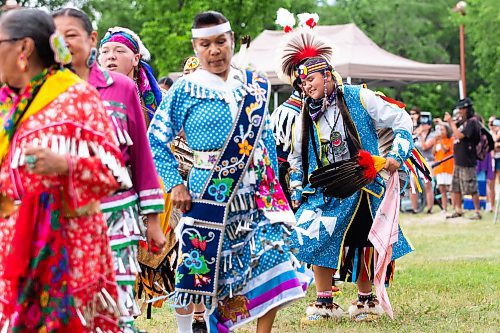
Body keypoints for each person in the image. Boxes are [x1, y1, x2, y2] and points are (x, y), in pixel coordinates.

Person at [148, 11, 306, 333]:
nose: (214, 50)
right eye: (205, 44)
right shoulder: (185, 90)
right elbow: (155, 140)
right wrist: (175, 184)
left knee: (274, 259)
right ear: (195, 48)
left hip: (258, 194)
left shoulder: (255, 86)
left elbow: (265, 141)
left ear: (232, 41)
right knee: (203, 276)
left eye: (221, 42)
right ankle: (203, 327)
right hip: (208, 193)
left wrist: (277, 188)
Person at [0, 8, 126, 331]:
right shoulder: (5, 103)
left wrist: (66, 164)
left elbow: (115, 173)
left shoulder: (77, 97)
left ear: (23, 48)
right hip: (10, 247)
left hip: (67, 245)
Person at [279, 26, 414, 322]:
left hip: (365, 185)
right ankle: (324, 302)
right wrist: (298, 191)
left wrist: (395, 156)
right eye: (301, 84)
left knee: (363, 240)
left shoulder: (359, 97)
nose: (306, 87)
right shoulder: (304, 113)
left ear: (327, 75)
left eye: (310, 79)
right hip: (325, 189)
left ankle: (366, 301)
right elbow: (296, 157)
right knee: (314, 237)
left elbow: (402, 119)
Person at [53, 9, 167, 331]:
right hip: (64, 213)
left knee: (116, 303)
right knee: (71, 304)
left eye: (72, 34)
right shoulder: (46, 89)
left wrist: (154, 220)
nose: (64, 43)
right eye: (57, 36)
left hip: (118, 212)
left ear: (90, 39)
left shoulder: (122, 88)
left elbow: (142, 156)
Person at [99, 26, 163, 128]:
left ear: (136, 59)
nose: (111, 56)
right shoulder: (91, 94)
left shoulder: (162, 98)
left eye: (119, 51)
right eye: (105, 51)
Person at [445, 97, 482, 220]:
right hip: (459, 160)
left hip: (468, 160)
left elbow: (460, 135)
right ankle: (458, 210)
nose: (460, 111)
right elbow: (452, 132)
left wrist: (450, 122)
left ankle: (477, 211)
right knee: (455, 187)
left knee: (471, 187)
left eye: (462, 108)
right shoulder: (463, 122)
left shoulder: (473, 122)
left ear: (467, 109)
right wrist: (446, 123)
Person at [411, 112, 435, 214]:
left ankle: (429, 208)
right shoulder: (417, 133)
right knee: (413, 185)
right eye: (422, 124)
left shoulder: (432, 135)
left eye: (425, 124)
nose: (423, 126)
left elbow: (425, 147)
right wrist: (416, 134)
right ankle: (414, 208)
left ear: (429, 125)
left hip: (427, 162)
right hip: (416, 162)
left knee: (427, 185)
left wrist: (420, 136)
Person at [432, 123, 454, 213]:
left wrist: (440, 140)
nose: (440, 132)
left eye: (442, 130)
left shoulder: (450, 140)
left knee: (451, 189)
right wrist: (435, 142)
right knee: (442, 189)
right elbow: (433, 153)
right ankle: (444, 208)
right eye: (439, 130)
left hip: (448, 168)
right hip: (439, 168)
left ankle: (454, 207)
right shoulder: (437, 141)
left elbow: (445, 150)